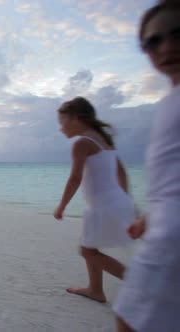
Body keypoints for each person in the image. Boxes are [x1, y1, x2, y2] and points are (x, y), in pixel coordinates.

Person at [114, 1, 180, 331]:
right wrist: (152, 215)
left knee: (129, 318)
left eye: (177, 34)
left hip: (171, 241)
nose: (167, 47)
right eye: (153, 41)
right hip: (165, 228)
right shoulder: (171, 100)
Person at [54, 96, 135, 303]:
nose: (61, 128)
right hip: (115, 201)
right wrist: (124, 202)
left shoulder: (82, 143)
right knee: (90, 246)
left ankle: (139, 282)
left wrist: (62, 206)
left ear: (76, 119)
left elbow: (75, 178)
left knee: (87, 250)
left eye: (62, 122)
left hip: (102, 206)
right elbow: (122, 173)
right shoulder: (104, 139)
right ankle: (95, 290)